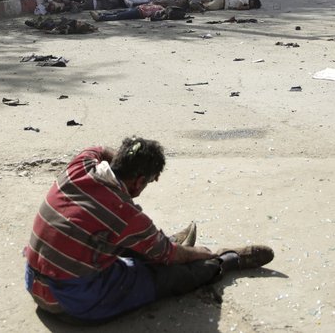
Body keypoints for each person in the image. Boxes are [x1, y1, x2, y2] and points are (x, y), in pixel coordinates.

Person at [24, 137, 274, 323]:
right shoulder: (124, 213)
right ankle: (225, 260)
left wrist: (128, 162)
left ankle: (157, 244)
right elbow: (172, 257)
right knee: (164, 276)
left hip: (35, 284)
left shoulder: (80, 165)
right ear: (140, 180)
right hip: (69, 303)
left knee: (121, 241)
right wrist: (202, 253)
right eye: (150, 181)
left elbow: (99, 149)